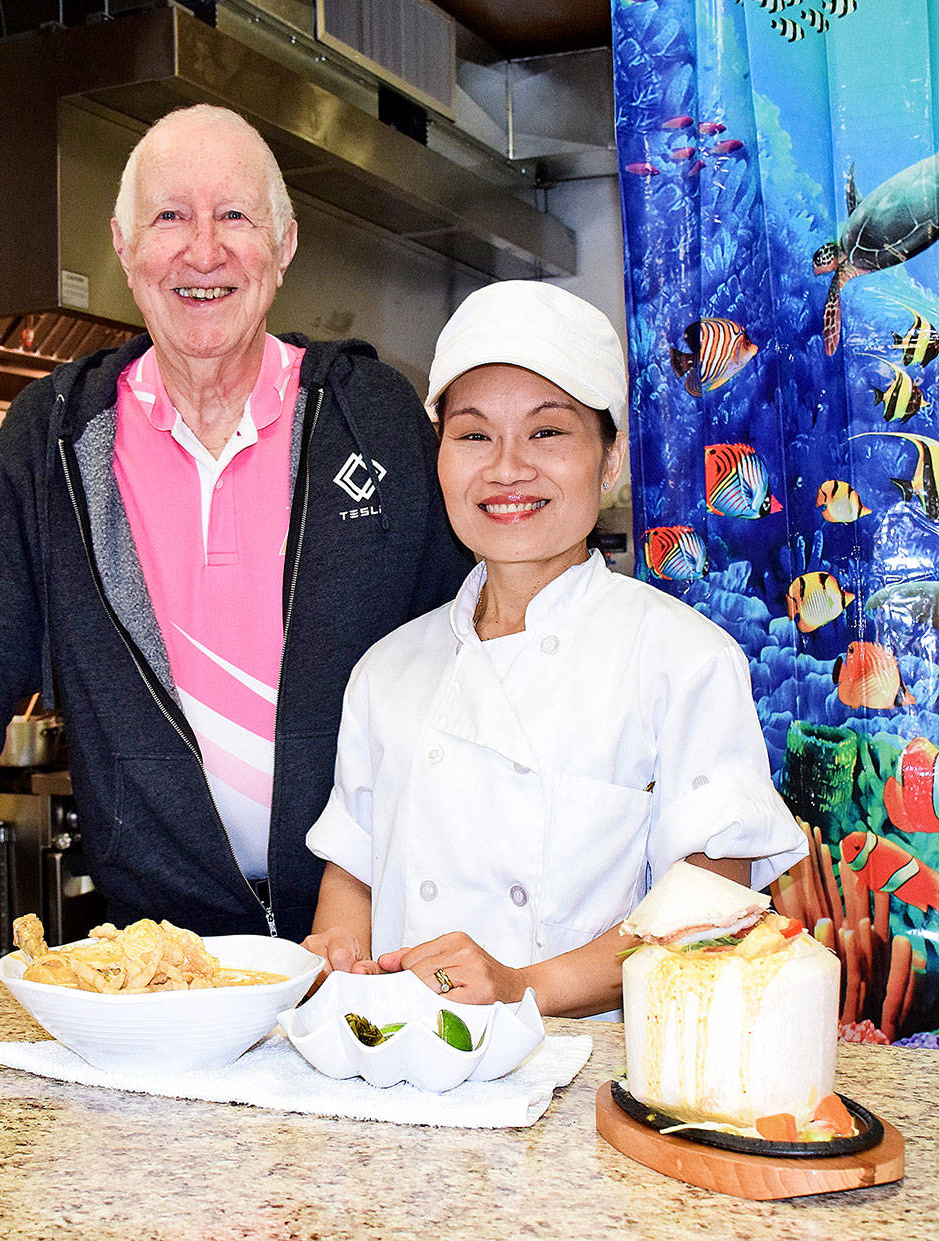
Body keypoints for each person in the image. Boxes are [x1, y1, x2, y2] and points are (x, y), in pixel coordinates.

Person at [0, 104, 468, 963]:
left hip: (373, 948)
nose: (203, 251)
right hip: (169, 965)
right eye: (170, 216)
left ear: (285, 242)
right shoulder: (55, 438)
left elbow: (475, 649)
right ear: (123, 245)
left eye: (234, 215)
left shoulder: (371, 417)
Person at [301, 281, 807, 1019]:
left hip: (595, 1068)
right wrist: (337, 952)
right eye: (473, 435)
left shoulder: (683, 658)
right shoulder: (387, 669)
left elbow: (709, 903)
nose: (507, 468)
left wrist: (520, 987)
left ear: (611, 461)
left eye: (547, 433)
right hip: (403, 1063)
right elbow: (354, 869)